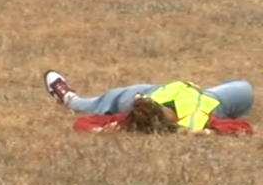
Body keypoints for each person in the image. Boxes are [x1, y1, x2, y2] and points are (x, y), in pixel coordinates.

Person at [43, 70, 254, 135]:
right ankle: (71, 99)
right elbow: (243, 128)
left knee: (242, 88)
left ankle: (71, 100)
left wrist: (100, 131)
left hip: (155, 93)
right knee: (244, 90)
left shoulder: (137, 108)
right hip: (207, 99)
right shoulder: (196, 118)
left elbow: (84, 123)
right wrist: (210, 132)